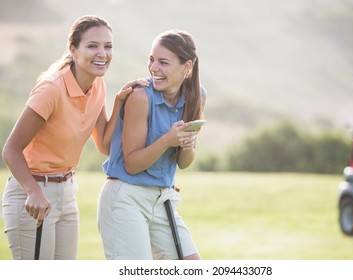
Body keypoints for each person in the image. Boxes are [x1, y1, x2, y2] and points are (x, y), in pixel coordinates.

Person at [1, 15, 148, 260]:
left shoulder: (98, 86)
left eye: (108, 46)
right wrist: (33, 191)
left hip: (67, 192)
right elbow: (11, 150)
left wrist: (120, 104)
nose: (102, 53)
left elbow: (103, 144)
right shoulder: (52, 89)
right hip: (32, 195)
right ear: (73, 49)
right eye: (92, 46)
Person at [98, 29, 207, 260]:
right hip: (125, 198)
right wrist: (167, 140)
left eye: (163, 62)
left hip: (162, 198)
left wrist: (186, 142)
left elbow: (184, 163)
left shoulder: (197, 96)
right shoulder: (140, 97)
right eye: (151, 60)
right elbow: (132, 165)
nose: (153, 68)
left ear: (186, 67)